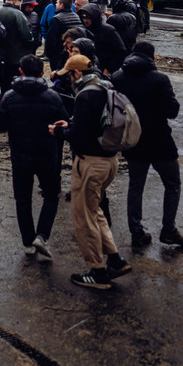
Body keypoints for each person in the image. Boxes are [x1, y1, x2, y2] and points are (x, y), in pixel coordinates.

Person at [50, 55, 132, 290]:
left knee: (84, 218)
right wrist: (72, 126)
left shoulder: (85, 95)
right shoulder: (106, 86)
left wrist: (59, 132)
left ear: (77, 74)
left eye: (69, 76)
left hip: (90, 163)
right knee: (95, 211)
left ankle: (97, 272)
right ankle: (115, 260)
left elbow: (80, 135)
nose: (68, 81)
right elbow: (92, 125)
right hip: (109, 160)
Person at [111, 42, 183, 249]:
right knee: (172, 184)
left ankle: (136, 232)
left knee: (136, 185)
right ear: (152, 57)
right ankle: (169, 230)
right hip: (159, 140)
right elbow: (171, 111)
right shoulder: (159, 79)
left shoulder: (118, 77)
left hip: (133, 139)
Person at [0, 56, 68, 258]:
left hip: (20, 155)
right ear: (42, 73)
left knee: (23, 199)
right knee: (52, 195)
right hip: (47, 154)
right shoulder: (52, 96)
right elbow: (64, 120)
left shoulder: (9, 96)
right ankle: (42, 235)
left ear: (20, 71)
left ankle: (28, 242)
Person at [0, 0, 33, 93]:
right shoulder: (18, 14)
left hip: (0, 54)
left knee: (4, 83)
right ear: (15, 2)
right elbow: (26, 35)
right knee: (15, 84)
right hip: (16, 54)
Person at [78, 4, 126, 76]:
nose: (85, 20)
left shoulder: (108, 30)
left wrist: (108, 69)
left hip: (104, 69)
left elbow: (120, 51)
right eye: (83, 17)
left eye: (88, 18)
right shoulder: (83, 30)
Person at [43, 0, 81, 73]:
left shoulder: (57, 19)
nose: (56, 5)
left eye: (57, 3)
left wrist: (49, 54)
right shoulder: (76, 16)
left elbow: (51, 39)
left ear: (62, 5)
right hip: (72, 51)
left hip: (59, 54)